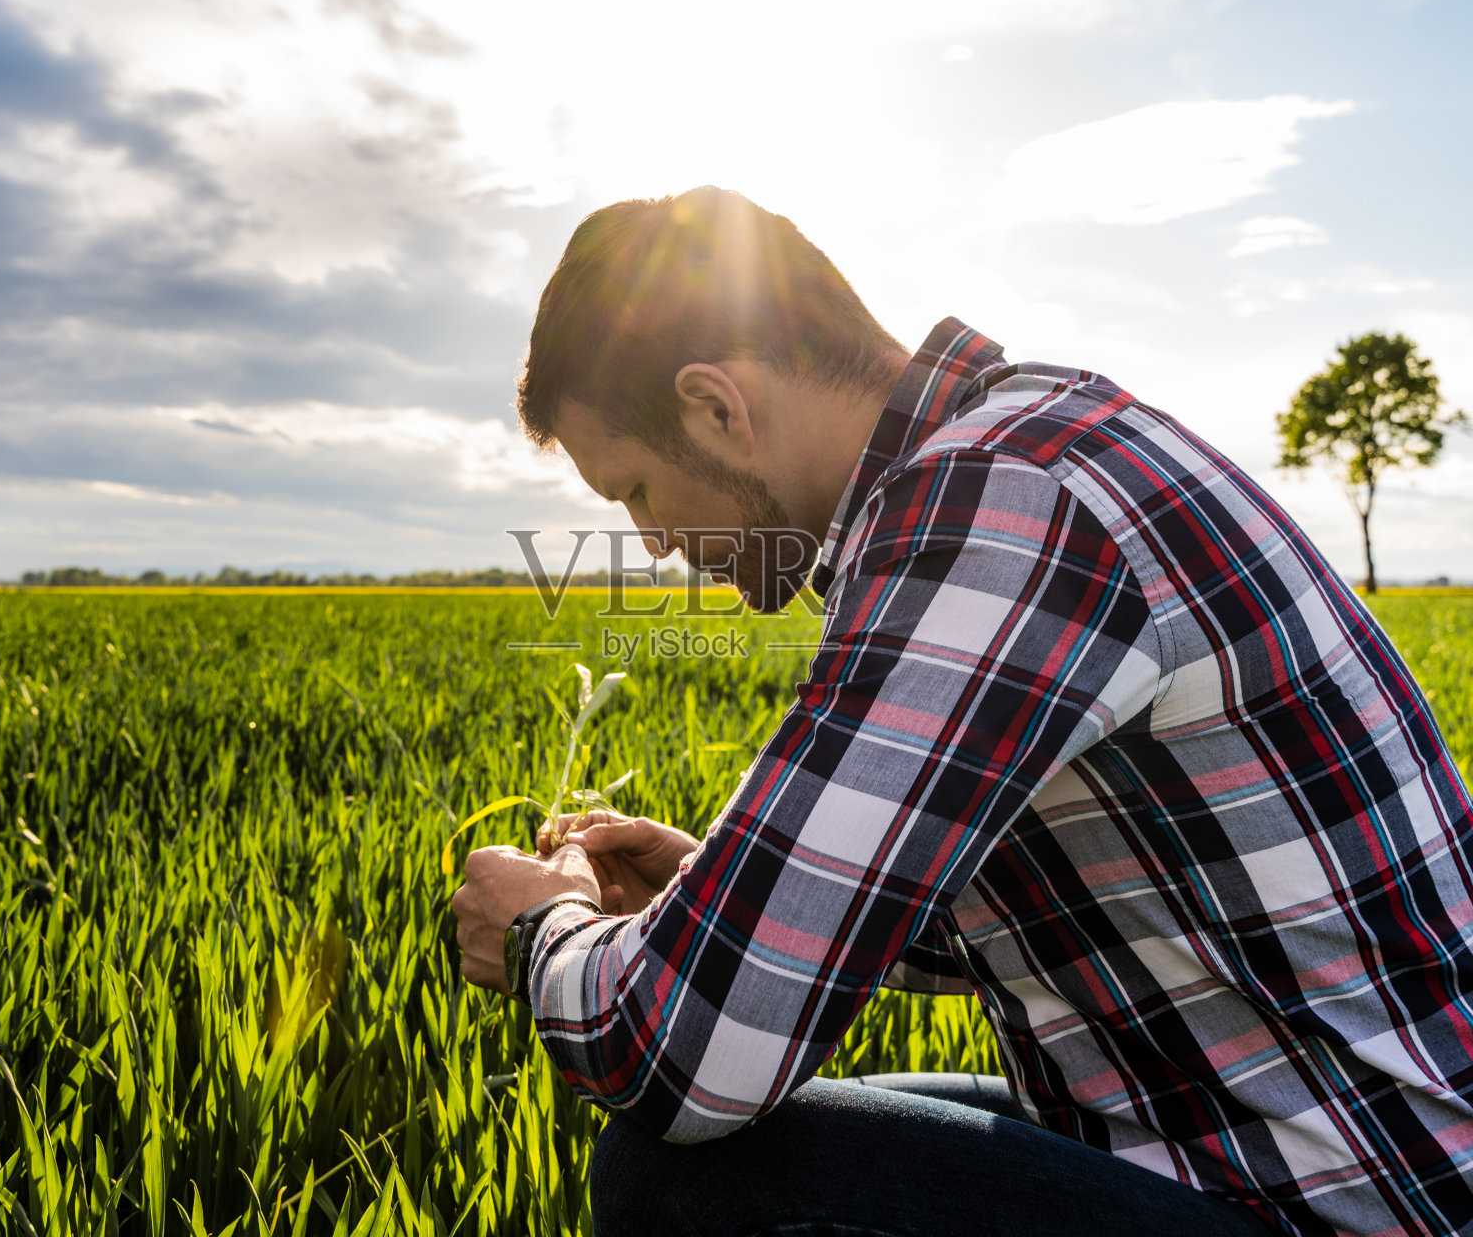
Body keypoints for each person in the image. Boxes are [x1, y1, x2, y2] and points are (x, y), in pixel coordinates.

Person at [451, 186, 1473, 1237]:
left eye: (634, 489)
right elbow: (1064, 896)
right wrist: (703, 887)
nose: (649, 539)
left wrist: (540, 930)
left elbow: (685, 1053)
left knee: (689, 1179)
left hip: (1353, 1200)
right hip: (1261, 1132)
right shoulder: (1034, 441)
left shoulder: (996, 510)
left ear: (717, 407)